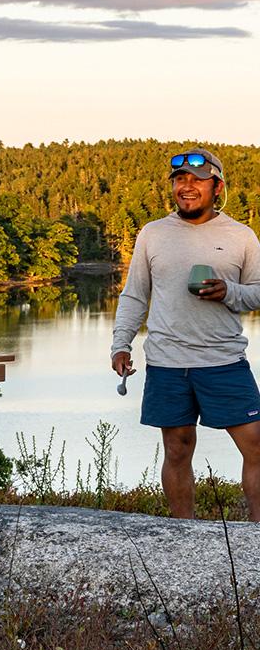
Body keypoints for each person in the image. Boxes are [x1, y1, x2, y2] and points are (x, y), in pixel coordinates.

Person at [111, 148, 260, 520]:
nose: (187, 186)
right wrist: (121, 343)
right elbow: (135, 294)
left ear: (217, 186)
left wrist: (230, 292)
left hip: (223, 361)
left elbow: (256, 292)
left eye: (197, 179)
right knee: (177, 448)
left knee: (256, 446)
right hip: (167, 363)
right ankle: (183, 535)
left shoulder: (241, 237)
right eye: (180, 180)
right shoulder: (153, 234)